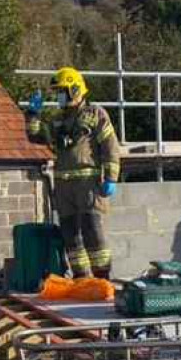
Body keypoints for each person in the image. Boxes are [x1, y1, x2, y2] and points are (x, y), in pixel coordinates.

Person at [25, 66, 121, 279]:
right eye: (57, 92)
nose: (59, 96)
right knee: (71, 236)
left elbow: (110, 146)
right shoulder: (59, 120)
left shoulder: (95, 114)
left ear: (75, 90)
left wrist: (111, 177)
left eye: (62, 91)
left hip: (88, 184)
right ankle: (82, 278)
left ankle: (102, 278)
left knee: (92, 232)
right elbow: (36, 137)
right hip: (63, 186)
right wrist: (33, 114)